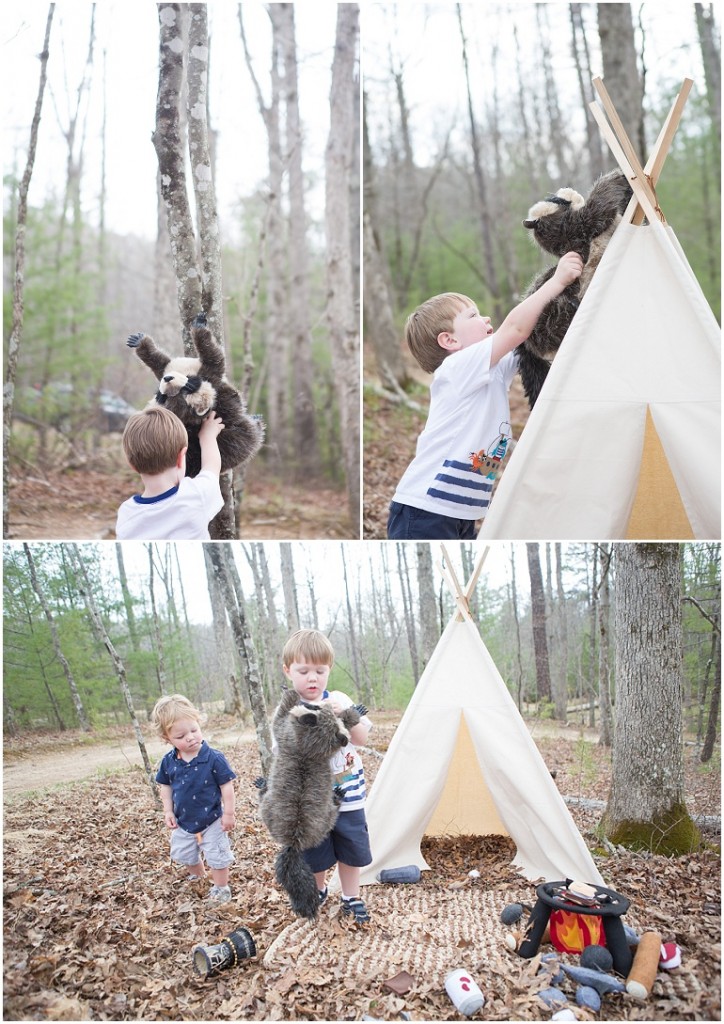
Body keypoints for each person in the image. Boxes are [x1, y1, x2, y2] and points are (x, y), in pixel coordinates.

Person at [387, 251, 584, 539]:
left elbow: (531, 339)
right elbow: (515, 329)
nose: (487, 317)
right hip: (424, 511)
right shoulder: (456, 368)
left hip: (462, 514)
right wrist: (555, 282)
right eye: (473, 315)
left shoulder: (491, 368)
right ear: (450, 340)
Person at [281, 628, 373, 925]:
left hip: (349, 794)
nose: (312, 678)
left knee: (351, 847)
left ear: (328, 670)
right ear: (288, 671)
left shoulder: (340, 699)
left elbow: (361, 739)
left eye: (320, 671)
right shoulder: (289, 710)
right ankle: (319, 890)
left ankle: (351, 896)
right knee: (315, 851)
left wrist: (347, 713)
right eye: (303, 670)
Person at [152, 694, 237, 905]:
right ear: (167, 738)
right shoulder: (168, 762)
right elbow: (165, 787)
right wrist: (168, 811)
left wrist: (229, 813)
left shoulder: (213, 758)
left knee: (217, 854)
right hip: (183, 820)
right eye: (181, 736)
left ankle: (221, 887)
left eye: (194, 730)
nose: (190, 737)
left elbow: (227, 786)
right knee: (184, 853)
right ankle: (198, 877)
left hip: (213, 818)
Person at [115, 405, 225, 540]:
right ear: (181, 458)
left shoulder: (126, 513)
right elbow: (212, 467)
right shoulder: (195, 494)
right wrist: (208, 435)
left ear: (132, 465)